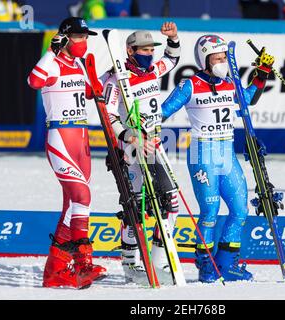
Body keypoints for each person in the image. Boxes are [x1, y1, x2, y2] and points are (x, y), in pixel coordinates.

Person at [161, 34, 274, 283]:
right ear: (204, 59)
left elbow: (249, 99)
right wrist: (147, 128)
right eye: (217, 58)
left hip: (226, 152)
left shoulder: (230, 83)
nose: (222, 62)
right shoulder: (189, 85)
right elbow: (163, 111)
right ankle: (205, 264)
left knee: (239, 210)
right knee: (210, 212)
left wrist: (263, 72)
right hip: (202, 153)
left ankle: (226, 263)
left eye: (224, 57)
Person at [27, 17, 106, 289]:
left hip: (81, 139)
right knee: (82, 196)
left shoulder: (79, 64)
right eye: (78, 37)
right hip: (60, 137)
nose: (83, 42)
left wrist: (107, 77)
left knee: (71, 206)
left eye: (86, 37)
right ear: (64, 37)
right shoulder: (54, 63)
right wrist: (51, 51)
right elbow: (34, 81)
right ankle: (83, 264)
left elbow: (89, 91)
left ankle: (55, 271)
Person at [100, 22, 180, 284]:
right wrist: (130, 135)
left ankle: (157, 262)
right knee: (135, 207)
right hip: (133, 149)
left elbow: (172, 58)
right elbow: (108, 114)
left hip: (156, 144)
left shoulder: (154, 69)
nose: (149, 54)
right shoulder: (117, 78)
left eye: (151, 49)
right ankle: (130, 263)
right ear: (130, 51)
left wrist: (173, 38)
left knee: (170, 203)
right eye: (144, 50)